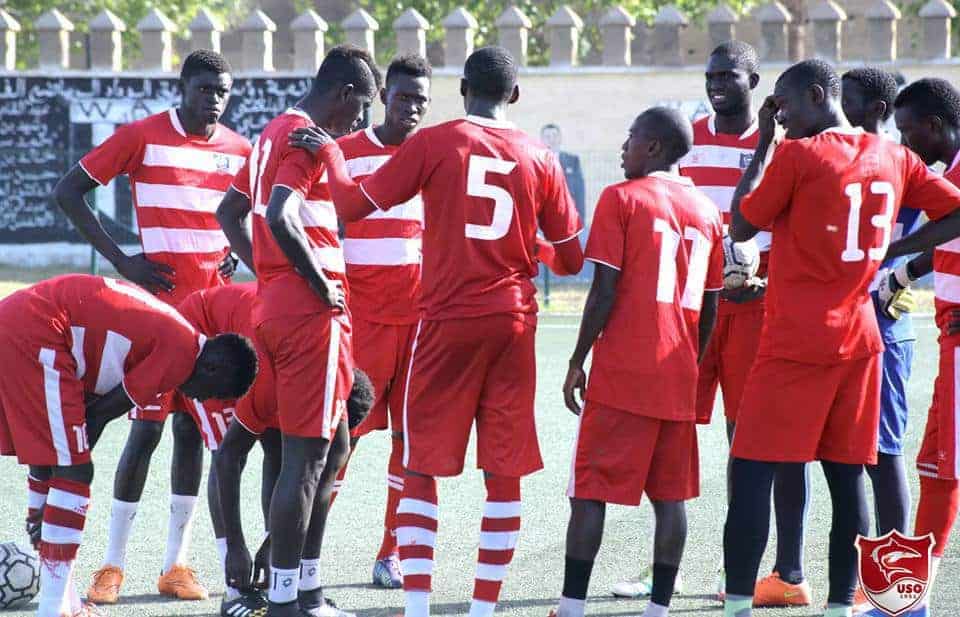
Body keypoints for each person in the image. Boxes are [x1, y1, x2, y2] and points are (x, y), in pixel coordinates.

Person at [290, 45, 584, 617]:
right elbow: (573, 261)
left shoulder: (436, 141)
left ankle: (419, 607)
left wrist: (327, 153)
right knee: (504, 471)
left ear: (460, 90)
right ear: (515, 95)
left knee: (418, 463)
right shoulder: (540, 155)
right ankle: (481, 610)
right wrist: (529, 245)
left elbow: (350, 203)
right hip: (513, 322)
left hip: (444, 321)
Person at [722, 59, 960, 617]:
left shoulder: (800, 155)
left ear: (814, 95)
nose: (778, 115)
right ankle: (839, 607)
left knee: (754, 470)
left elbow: (741, 225)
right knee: (849, 478)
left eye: (782, 104)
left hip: (793, 342)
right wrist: (893, 253)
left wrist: (763, 144)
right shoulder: (896, 156)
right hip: (860, 339)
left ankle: (736, 606)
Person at [51, 49, 252, 604]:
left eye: (223, 91)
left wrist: (230, 256)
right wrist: (123, 262)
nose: (214, 99)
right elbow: (70, 191)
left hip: (212, 324)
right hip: (158, 321)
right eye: (205, 88)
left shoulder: (240, 150)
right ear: (183, 87)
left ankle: (175, 565)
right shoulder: (142, 135)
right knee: (145, 431)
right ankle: (111, 565)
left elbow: (239, 219)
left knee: (192, 437)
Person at [216, 44, 379, 617]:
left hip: (275, 310)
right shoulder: (308, 138)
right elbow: (281, 213)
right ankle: (287, 602)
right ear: (343, 92)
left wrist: (271, 274)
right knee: (306, 457)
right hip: (311, 316)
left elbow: (229, 214)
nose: (361, 120)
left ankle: (305, 589)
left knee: (331, 446)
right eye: (362, 105)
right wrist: (313, 280)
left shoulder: (268, 133)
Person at [552, 107, 723, 617]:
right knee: (671, 498)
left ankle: (572, 606)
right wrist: (690, 360)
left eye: (631, 138)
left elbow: (604, 289)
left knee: (589, 491)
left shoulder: (621, 198)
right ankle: (659, 610)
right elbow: (711, 304)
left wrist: (577, 359)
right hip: (678, 371)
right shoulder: (708, 211)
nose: (624, 147)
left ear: (653, 147)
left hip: (623, 371)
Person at [3, 274, 257, 617]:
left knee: (63, 465)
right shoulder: (181, 353)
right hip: (39, 331)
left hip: (28, 323)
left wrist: (49, 490)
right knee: (75, 470)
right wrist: (60, 476)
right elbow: (99, 416)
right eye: (214, 391)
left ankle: (63, 600)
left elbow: (87, 417)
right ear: (214, 366)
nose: (203, 398)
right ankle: (52, 608)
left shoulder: (174, 333)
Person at [666, 40, 811, 607]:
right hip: (695, 308)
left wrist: (769, 281)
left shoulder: (782, 142)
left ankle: (767, 571)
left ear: (755, 82)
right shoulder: (689, 137)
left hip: (758, 308)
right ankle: (667, 567)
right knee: (673, 430)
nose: (716, 83)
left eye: (728, 75)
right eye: (711, 74)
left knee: (753, 442)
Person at [321, 54, 432, 590]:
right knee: (341, 438)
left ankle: (392, 552)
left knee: (410, 442)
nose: (411, 108)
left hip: (419, 322)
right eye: (403, 97)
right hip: (361, 320)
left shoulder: (433, 158)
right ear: (384, 95)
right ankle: (304, 547)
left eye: (420, 101)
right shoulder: (345, 153)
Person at [868, 77, 960, 617]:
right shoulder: (944, 175)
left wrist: (896, 250)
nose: (903, 144)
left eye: (906, 132)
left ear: (934, 127)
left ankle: (904, 601)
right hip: (948, 334)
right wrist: (904, 272)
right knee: (938, 465)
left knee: (939, 468)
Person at [839, 67, 922, 612]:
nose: (839, 110)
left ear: (874, 109)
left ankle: (903, 594)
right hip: (848, 321)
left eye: (848, 100)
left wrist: (899, 272)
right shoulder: (851, 156)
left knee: (884, 454)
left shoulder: (899, 164)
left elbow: (934, 229)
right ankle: (872, 587)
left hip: (886, 323)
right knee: (853, 456)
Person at [215, 363, 374, 617]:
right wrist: (234, 547)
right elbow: (226, 458)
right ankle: (239, 590)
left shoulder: (329, 382)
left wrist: (274, 543)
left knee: (295, 458)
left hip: (291, 361)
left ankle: (295, 592)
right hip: (227, 357)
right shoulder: (265, 383)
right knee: (237, 449)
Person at [541, 124, 586, 226]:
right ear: (542, 140)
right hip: (544, 219)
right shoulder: (536, 161)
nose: (552, 140)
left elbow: (579, 192)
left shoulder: (573, 160)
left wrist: (580, 220)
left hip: (567, 218)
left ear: (560, 138)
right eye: (548, 137)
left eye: (555, 136)